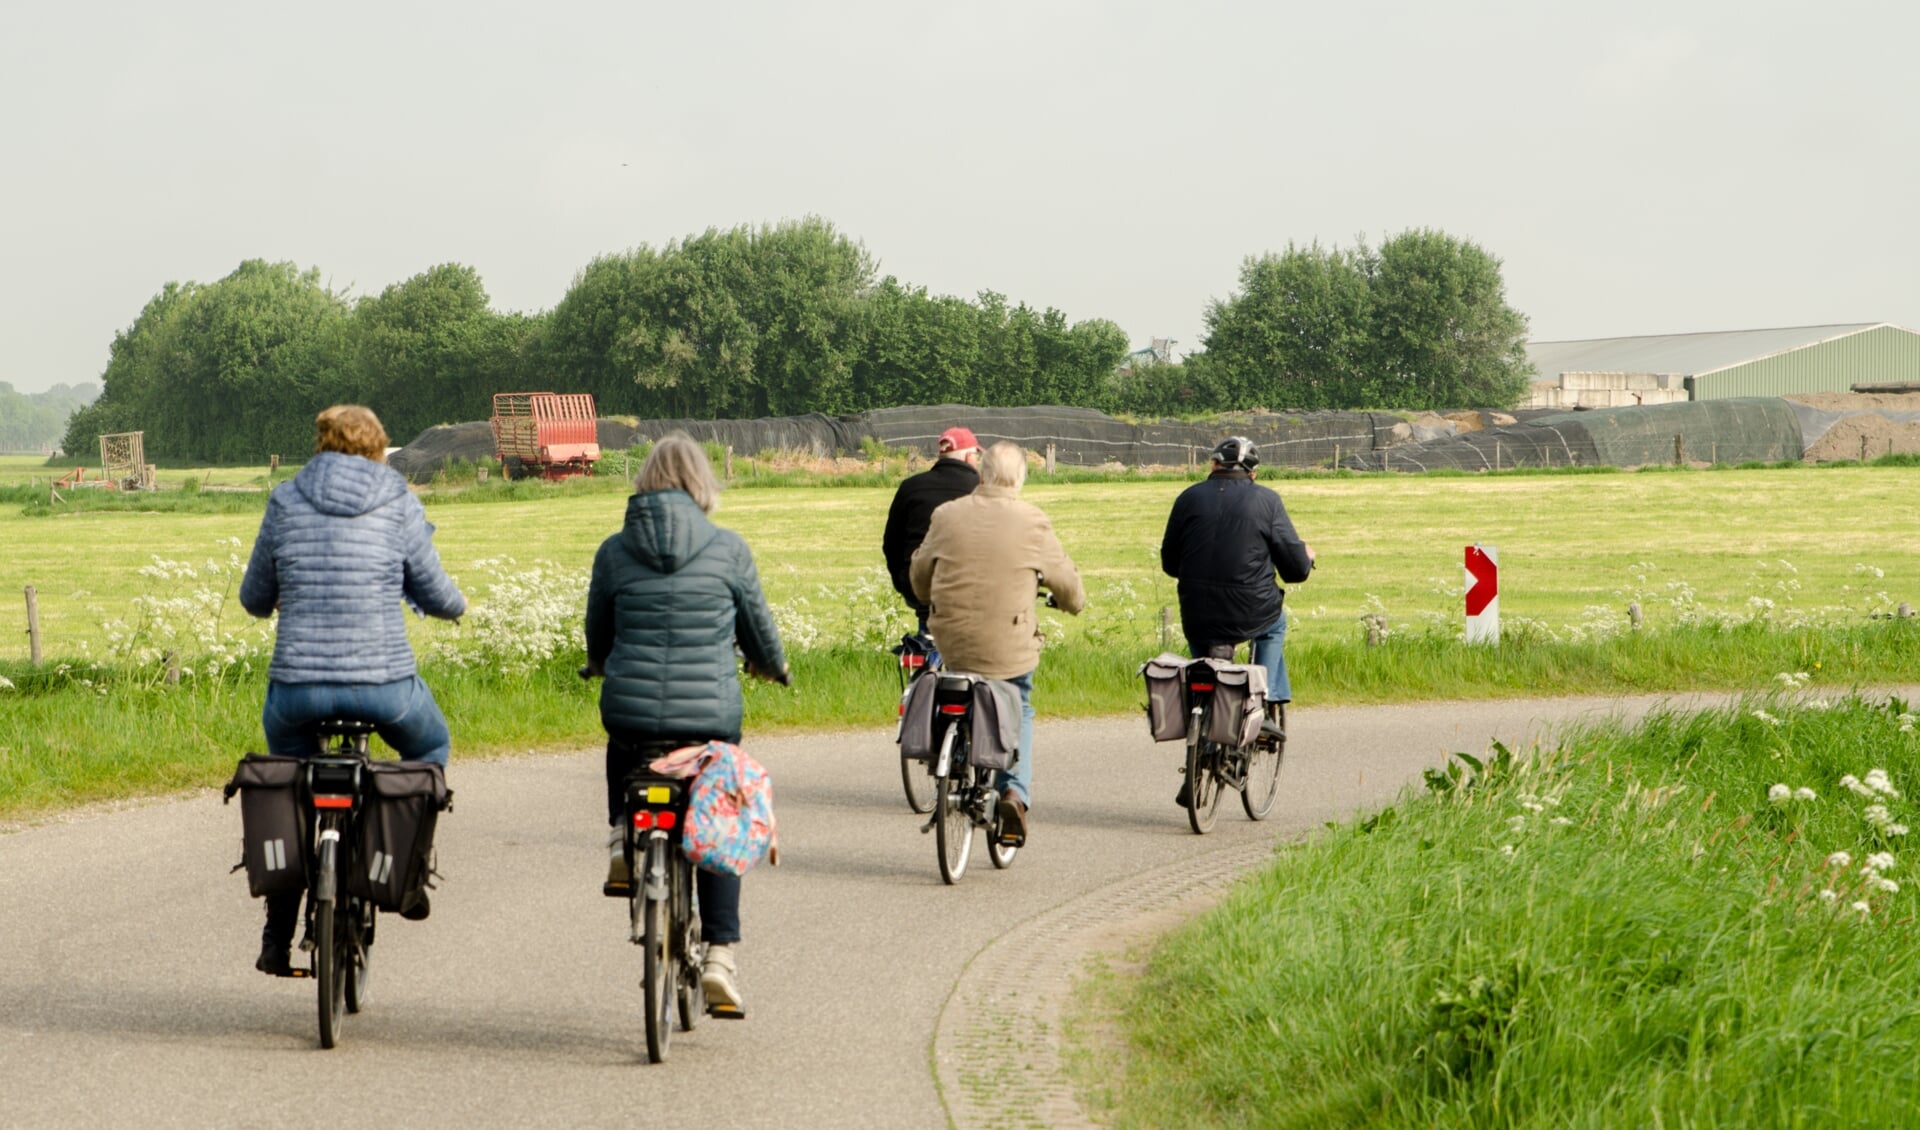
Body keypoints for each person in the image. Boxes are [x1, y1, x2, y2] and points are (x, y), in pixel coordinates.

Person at [239, 404, 468, 976]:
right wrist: (455, 607)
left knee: (289, 787)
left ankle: (276, 934)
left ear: (320, 443)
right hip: (383, 686)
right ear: (378, 448)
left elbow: (253, 597)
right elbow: (435, 592)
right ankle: (406, 875)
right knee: (431, 750)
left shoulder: (286, 499)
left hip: (298, 691)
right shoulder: (396, 499)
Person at [584, 432, 788, 1014]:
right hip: (709, 719)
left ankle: (624, 834)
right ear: (703, 482)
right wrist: (773, 667)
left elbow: (598, 628)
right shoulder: (728, 549)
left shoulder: (614, 550)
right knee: (718, 810)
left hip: (631, 710)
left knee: (624, 745)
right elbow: (759, 630)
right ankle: (721, 955)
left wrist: (599, 664)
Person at [909, 441, 1083, 846]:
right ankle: (1013, 795)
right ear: (1020, 479)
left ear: (981, 474)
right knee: (1018, 704)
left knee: (957, 681)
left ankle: (950, 759)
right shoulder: (1033, 521)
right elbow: (1068, 586)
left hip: (950, 639)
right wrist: (1072, 604)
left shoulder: (946, 515)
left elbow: (920, 575)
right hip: (1008, 646)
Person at [1159, 436, 1314, 805]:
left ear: (1213, 465)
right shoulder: (1267, 500)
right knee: (1274, 625)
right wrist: (1306, 557)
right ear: (1253, 473)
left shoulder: (1188, 497)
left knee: (1206, 666)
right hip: (1252, 610)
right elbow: (1294, 570)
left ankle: (1201, 754)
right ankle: (1265, 704)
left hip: (1196, 610)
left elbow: (1169, 563)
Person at [882, 426, 981, 639]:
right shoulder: (982, 488)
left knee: (928, 639)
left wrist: (904, 582)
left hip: (919, 585)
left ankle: (927, 663)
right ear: (969, 457)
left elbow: (891, 544)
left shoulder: (910, 487)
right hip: (968, 588)